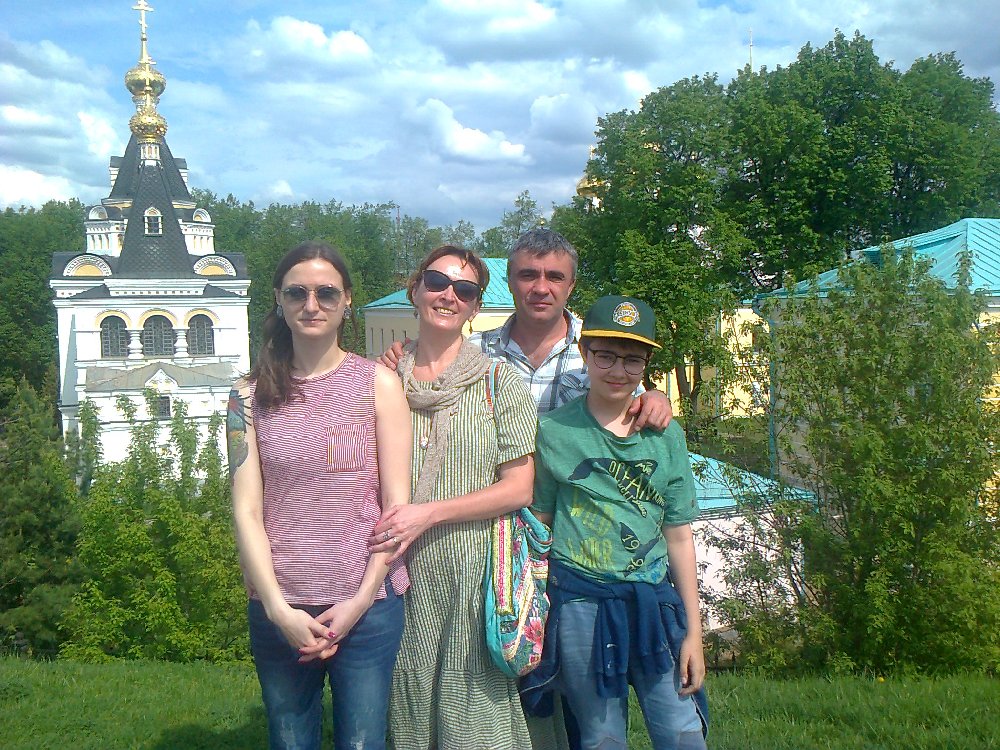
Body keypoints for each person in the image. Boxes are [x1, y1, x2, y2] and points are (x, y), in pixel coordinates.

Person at [228, 241, 412, 750]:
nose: (312, 305)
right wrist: (277, 609)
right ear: (278, 299)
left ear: (347, 300)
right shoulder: (245, 396)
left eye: (326, 293)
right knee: (290, 739)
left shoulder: (379, 384)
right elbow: (247, 510)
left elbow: (395, 508)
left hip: (368, 604)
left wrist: (359, 601)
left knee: (363, 741)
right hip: (280, 603)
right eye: (297, 293)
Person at [365, 245, 539, 749]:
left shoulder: (498, 382)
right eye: (437, 282)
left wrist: (428, 514)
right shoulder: (380, 381)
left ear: (475, 306)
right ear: (415, 289)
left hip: (472, 571)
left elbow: (519, 487)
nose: (448, 296)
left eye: (464, 290)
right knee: (405, 706)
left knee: (474, 717)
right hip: (395, 572)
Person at [524, 295, 709, 750]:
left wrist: (694, 632)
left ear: (645, 365)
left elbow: (679, 536)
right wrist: (530, 609)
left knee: (682, 732)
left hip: (653, 605)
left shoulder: (666, 435)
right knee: (600, 735)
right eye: (605, 355)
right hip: (580, 603)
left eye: (632, 360)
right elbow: (540, 525)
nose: (617, 370)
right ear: (584, 353)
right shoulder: (555, 432)